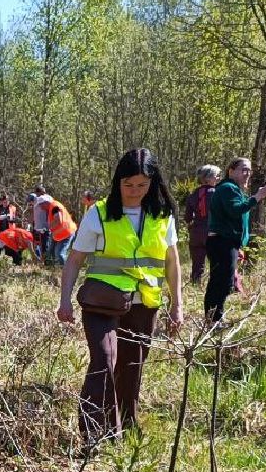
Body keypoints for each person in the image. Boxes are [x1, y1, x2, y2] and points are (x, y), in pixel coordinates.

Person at [56, 148, 183, 444]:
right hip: (102, 301)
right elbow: (75, 259)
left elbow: (172, 262)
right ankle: (93, 434)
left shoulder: (162, 216)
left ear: (153, 183)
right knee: (104, 359)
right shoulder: (99, 213)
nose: (134, 192)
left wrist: (177, 305)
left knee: (131, 369)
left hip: (144, 304)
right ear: (117, 182)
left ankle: (124, 428)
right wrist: (64, 299)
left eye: (141, 185)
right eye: (128, 185)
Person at [203, 157, 266, 323]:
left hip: (228, 242)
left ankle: (213, 318)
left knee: (223, 281)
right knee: (221, 282)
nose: (247, 173)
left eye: (249, 170)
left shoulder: (235, 190)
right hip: (221, 242)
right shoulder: (228, 188)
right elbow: (235, 210)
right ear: (231, 171)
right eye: (243, 169)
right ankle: (214, 319)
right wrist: (257, 197)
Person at [183, 165, 221, 284]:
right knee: (218, 262)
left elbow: (187, 217)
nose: (219, 178)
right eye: (217, 176)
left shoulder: (193, 195)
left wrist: (191, 228)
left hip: (196, 232)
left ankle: (195, 283)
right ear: (208, 178)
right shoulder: (217, 193)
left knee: (197, 263)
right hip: (212, 232)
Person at [0, 195, 18, 266]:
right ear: (1, 201)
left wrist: (10, 219)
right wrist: (0, 218)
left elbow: (15, 219)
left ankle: (16, 263)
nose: (5, 202)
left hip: (9, 232)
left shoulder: (13, 208)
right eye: (4, 201)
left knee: (12, 249)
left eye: (7, 201)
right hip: (0, 233)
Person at [47, 197, 76, 264]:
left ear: (46, 203)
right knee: (56, 252)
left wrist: (50, 226)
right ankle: (59, 268)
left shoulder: (54, 207)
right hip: (63, 233)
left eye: (41, 205)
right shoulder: (53, 207)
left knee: (60, 253)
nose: (41, 207)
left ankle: (65, 269)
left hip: (67, 232)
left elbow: (58, 219)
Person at [30, 186, 53, 261]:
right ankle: (42, 260)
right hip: (42, 226)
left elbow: (30, 198)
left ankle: (46, 261)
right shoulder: (49, 198)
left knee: (43, 245)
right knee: (43, 244)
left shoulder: (41, 198)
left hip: (42, 227)